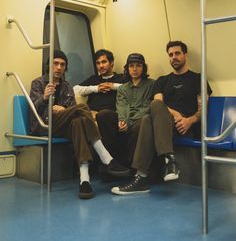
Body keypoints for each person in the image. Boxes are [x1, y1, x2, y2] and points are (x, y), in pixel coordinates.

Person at [111, 41, 212, 195]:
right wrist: (174, 113)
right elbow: (158, 103)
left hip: (185, 125)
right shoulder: (163, 81)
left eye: (177, 53)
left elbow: (203, 108)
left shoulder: (198, 78)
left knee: (147, 119)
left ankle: (142, 177)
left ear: (185, 55)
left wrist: (188, 121)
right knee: (152, 111)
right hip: (165, 122)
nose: (174, 57)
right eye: (170, 55)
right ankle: (169, 160)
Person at [29, 50, 129, 199]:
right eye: (55, 64)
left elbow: (72, 111)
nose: (58, 67)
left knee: (78, 122)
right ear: (49, 65)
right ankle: (106, 157)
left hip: (64, 124)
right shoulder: (38, 83)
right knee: (82, 108)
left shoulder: (67, 86)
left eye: (62, 65)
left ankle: (84, 180)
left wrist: (64, 110)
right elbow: (34, 110)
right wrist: (44, 98)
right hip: (44, 124)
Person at [96, 53, 155, 167]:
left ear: (143, 68)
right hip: (125, 120)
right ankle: (111, 162)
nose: (134, 69)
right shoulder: (123, 88)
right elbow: (122, 105)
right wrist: (122, 121)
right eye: (131, 66)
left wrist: (129, 122)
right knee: (103, 115)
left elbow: (148, 106)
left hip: (140, 120)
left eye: (138, 65)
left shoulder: (152, 84)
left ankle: (132, 165)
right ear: (127, 68)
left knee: (141, 122)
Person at [73, 49, 127, 161]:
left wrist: (113, 86)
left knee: (103, 115)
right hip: (92, 114)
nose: (101, 66)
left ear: (111, 63)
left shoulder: (121, 78)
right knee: (79, 116)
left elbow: (132, 89)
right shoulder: (94, 79)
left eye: (104, 62)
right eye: (98, 63)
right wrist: (96, 88)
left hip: (110, 114)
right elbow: (74, 90)